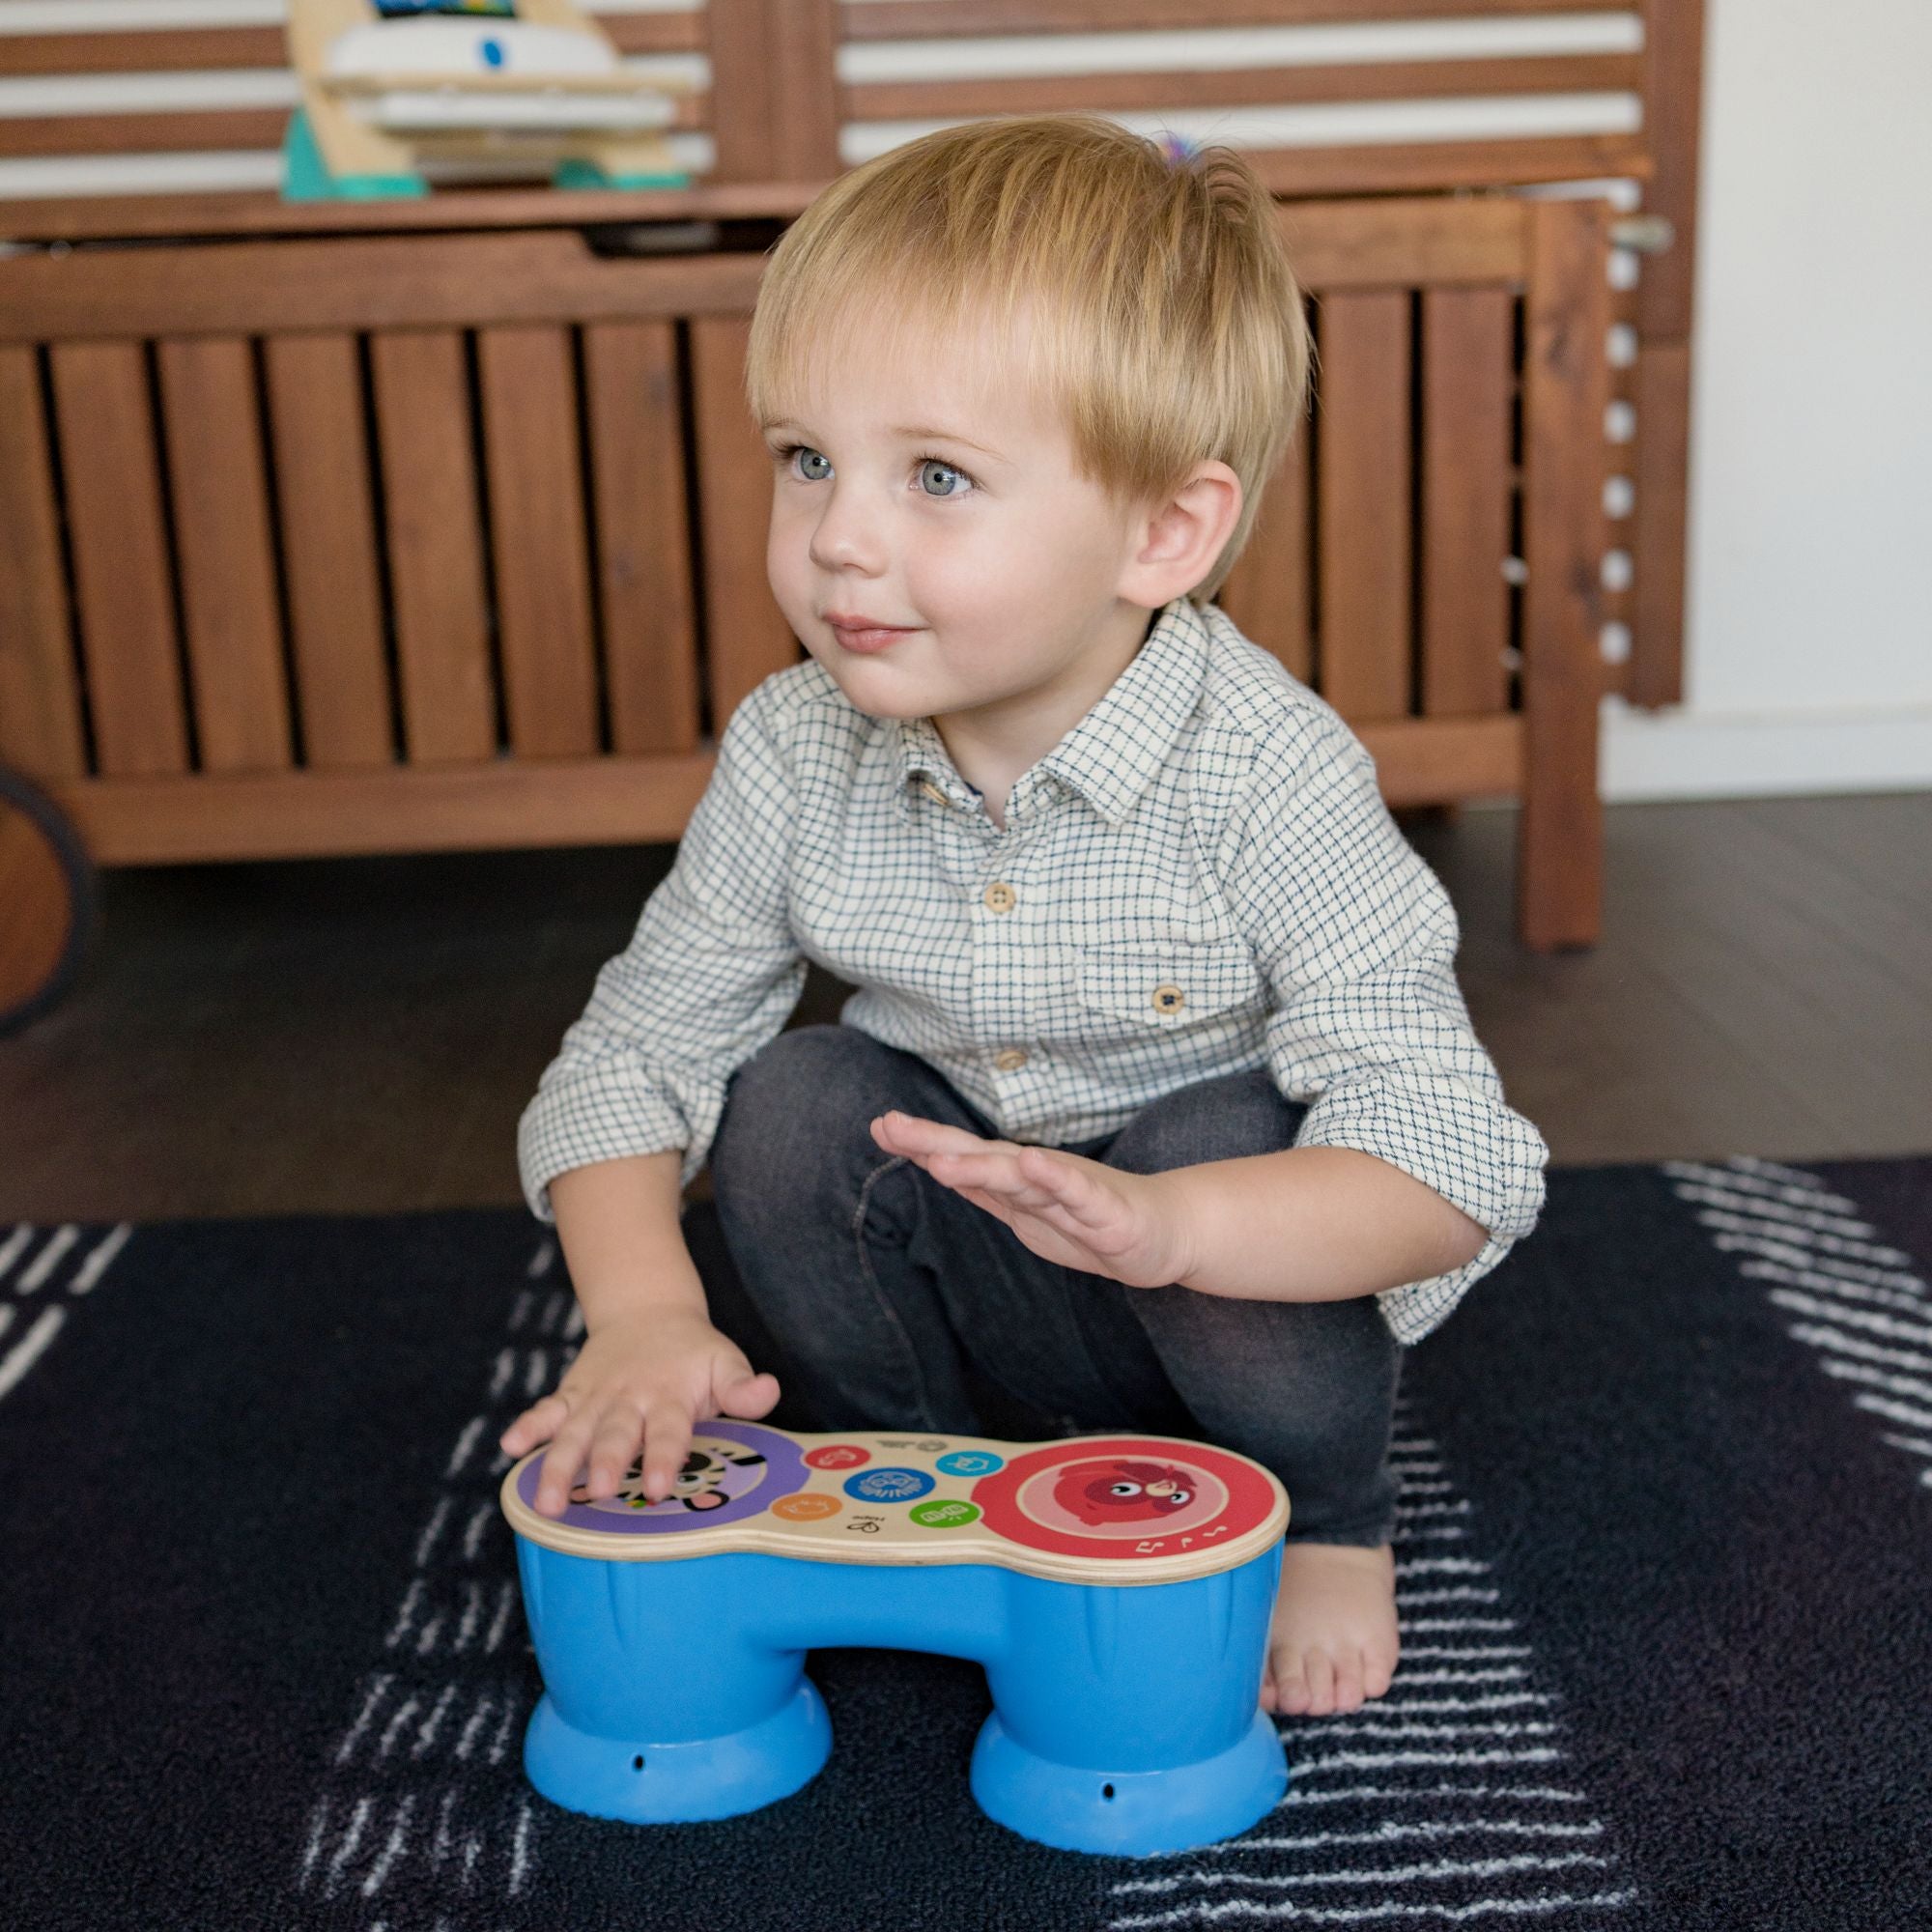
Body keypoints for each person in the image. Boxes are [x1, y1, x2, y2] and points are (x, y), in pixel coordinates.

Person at [501, 114, 1547, 1719]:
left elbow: (1450, 1159)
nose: (839, 536)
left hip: (1213, 1282)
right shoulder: (794, 748)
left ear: (1163, 533)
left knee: (1218, 1136)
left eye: (936, 476)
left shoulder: (1268, 768)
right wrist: (645, 1312)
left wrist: (1182, 1229)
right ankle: (929, 1475)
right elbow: (634, 1052)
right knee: (792, 1103)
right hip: (973, 1258)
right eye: (806, 459)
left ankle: (1331, 1516)